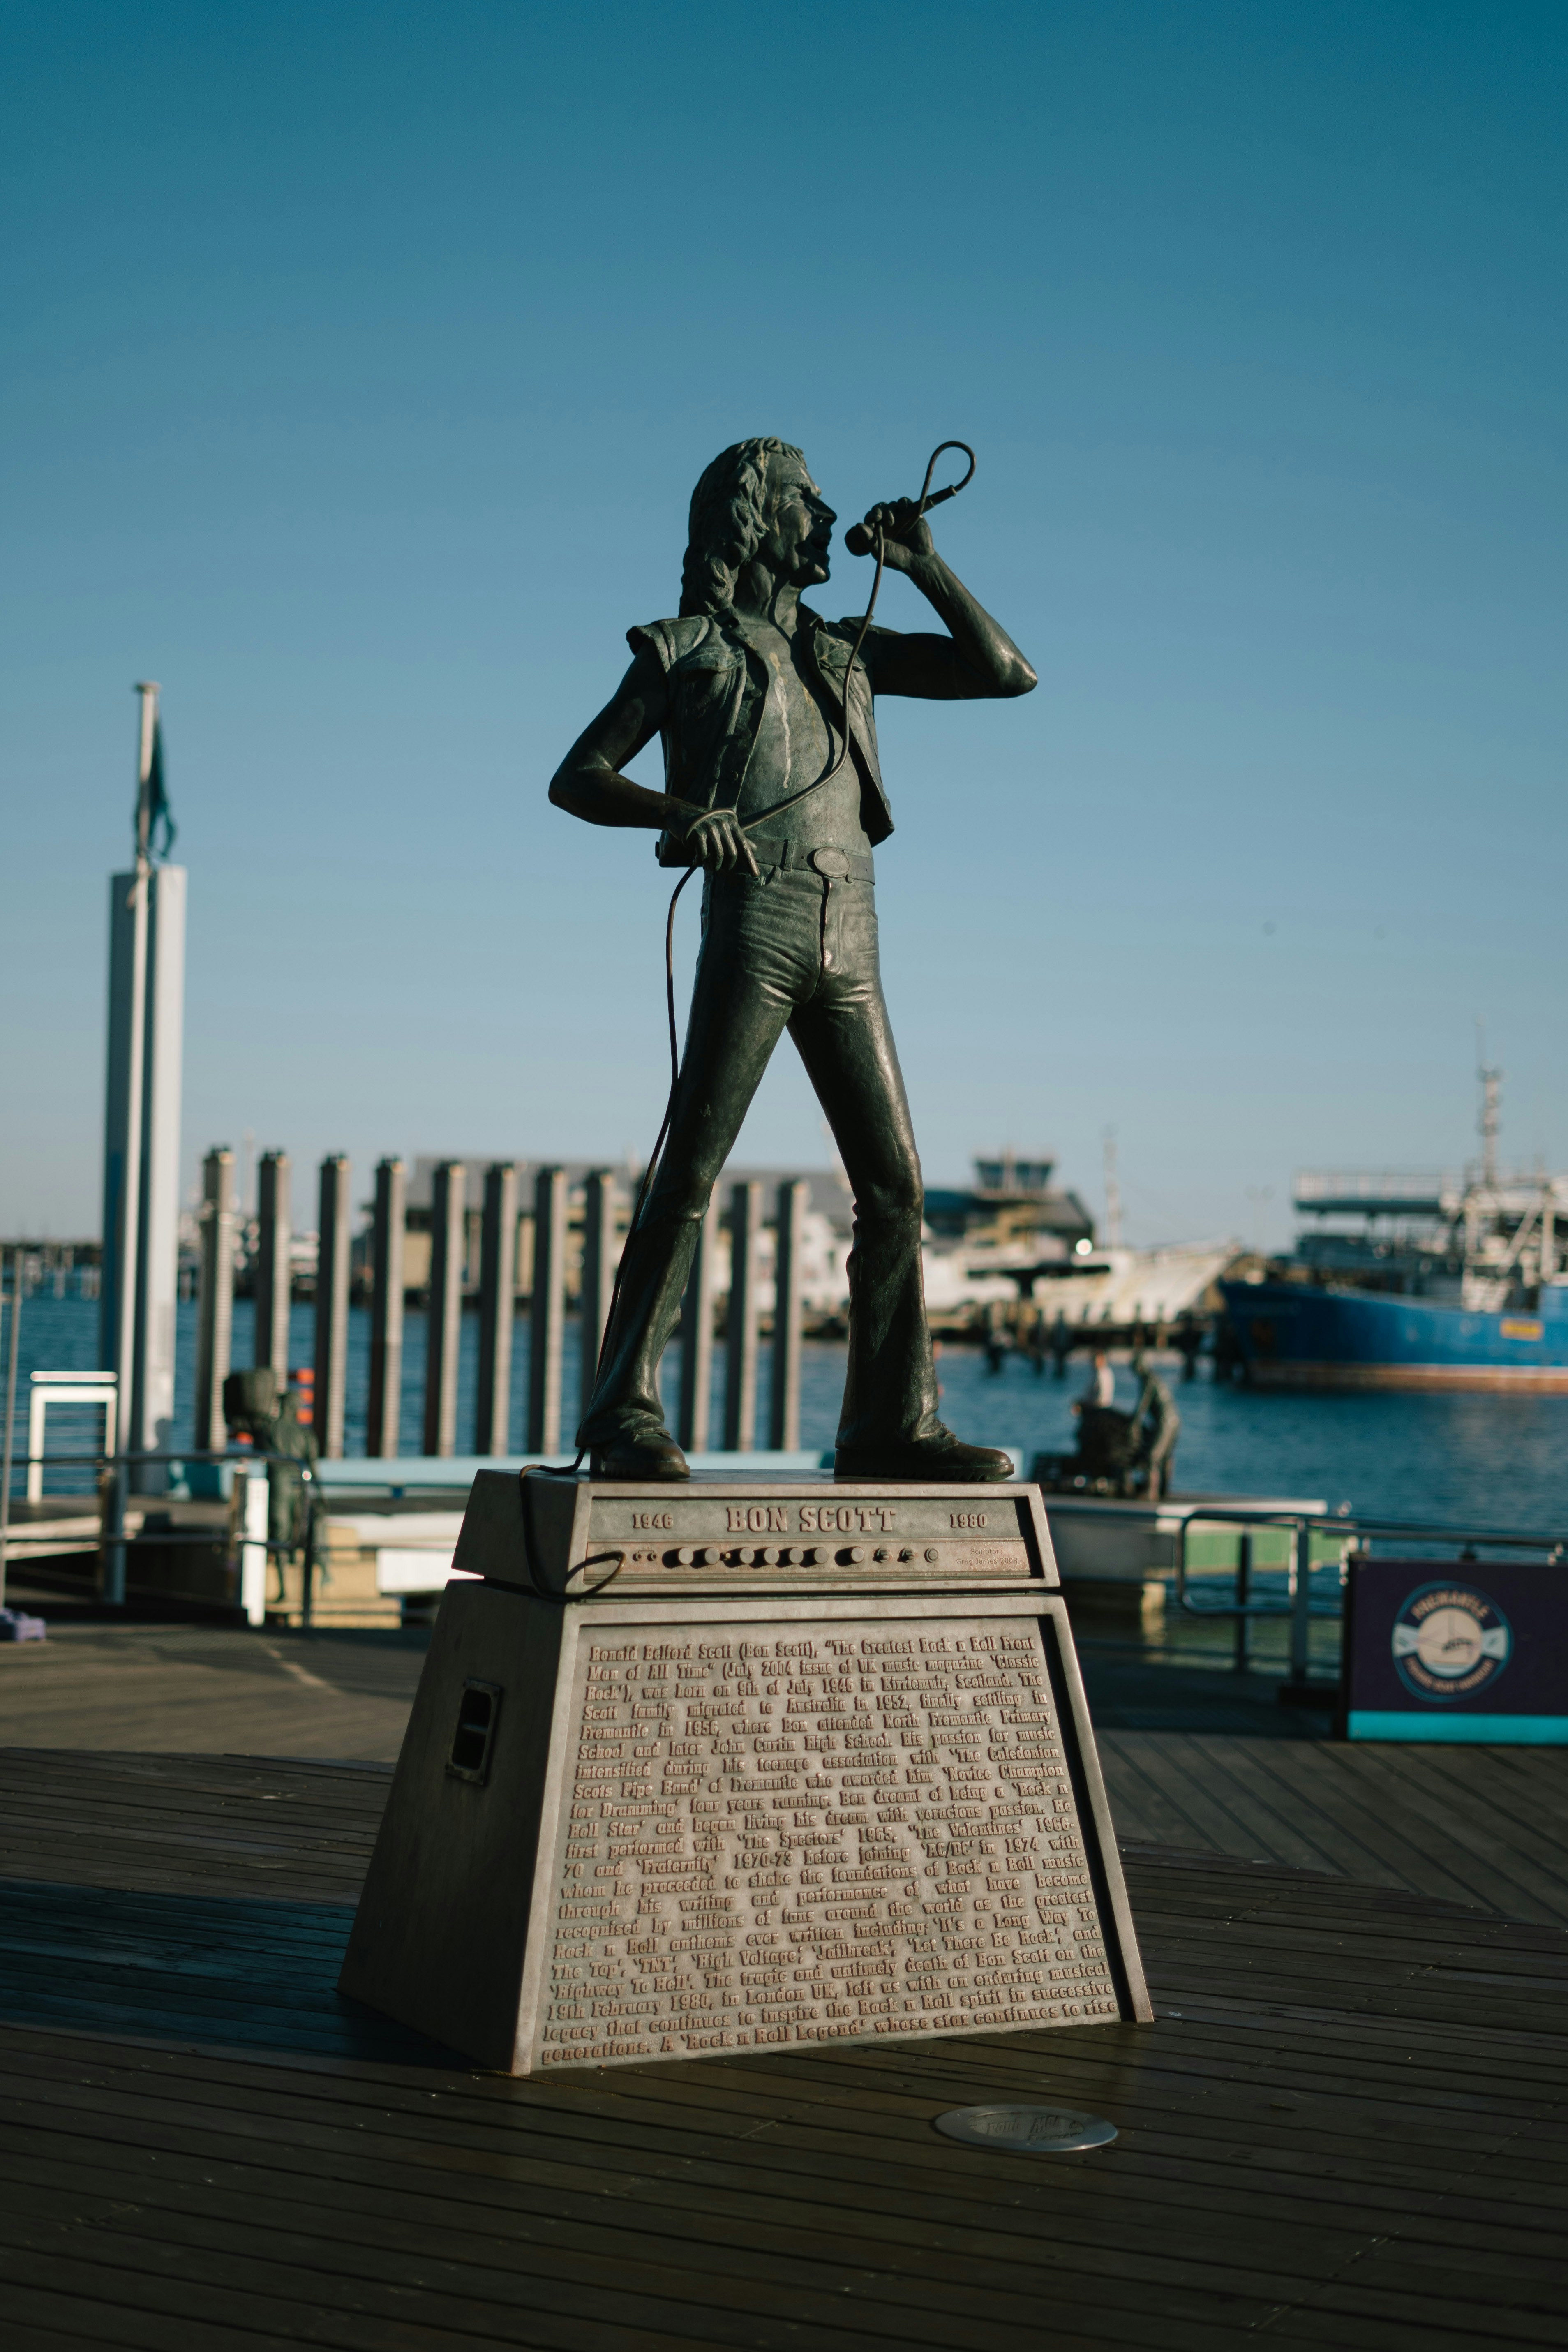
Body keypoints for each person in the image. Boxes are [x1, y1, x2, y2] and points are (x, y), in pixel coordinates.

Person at [549, 437, 1037, 1480]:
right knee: (692, 1169)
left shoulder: (849, 650)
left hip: (852, 930)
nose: (826, 517)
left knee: (897, 1185)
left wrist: (926, 567)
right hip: (758, 915)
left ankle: (889, 1426)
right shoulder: (688, 649)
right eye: (806, 502)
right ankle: (622, 1413)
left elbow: (1007, 675)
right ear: (753, 519)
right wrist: (677, 815)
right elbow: (579, 775)